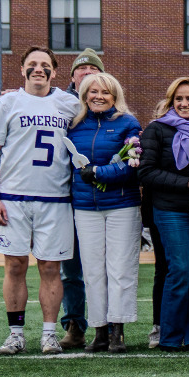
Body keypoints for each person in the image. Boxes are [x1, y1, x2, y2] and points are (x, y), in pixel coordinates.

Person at [0, 47, 83, 355]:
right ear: (23, 69)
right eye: (32, 64)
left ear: (54, 71)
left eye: (45, 65)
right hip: (13, 199)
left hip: (55, 199)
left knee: (51, 267)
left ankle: (49, 335)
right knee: (14, 266)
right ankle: (15, 334)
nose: (38, 69)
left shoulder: (70, 104)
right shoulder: (7, 102)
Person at [140, 77, 189, 351]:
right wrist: (185, 182)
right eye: (179, 99)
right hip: (170, 209)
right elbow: (146, 171)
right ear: (171, 101)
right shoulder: (157, 129)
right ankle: (171, 337)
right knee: (180, 270)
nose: (185, 103)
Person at [69, 70, 142, 353]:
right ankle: (98, 331)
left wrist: (99, 172)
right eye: (93, 92)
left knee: (120, 268)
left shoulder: (127, 123)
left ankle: (117, 331)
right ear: (84, 94)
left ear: (115, 96)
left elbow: (133, 164)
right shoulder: (74, 125)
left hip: (122, 205)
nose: (98, 97)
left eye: (105, 92)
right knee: (93, 270)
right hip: (85, 207)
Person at [57, 47, 106, 349]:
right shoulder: (58, 104)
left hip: (96, 196)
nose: (87, 77)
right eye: (82, 72)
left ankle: (109, 325)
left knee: (102, 266)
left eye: (93, 72)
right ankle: (74, 323)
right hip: (62, 195)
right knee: (70, 266)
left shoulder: (107, 105)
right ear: (72, 77)